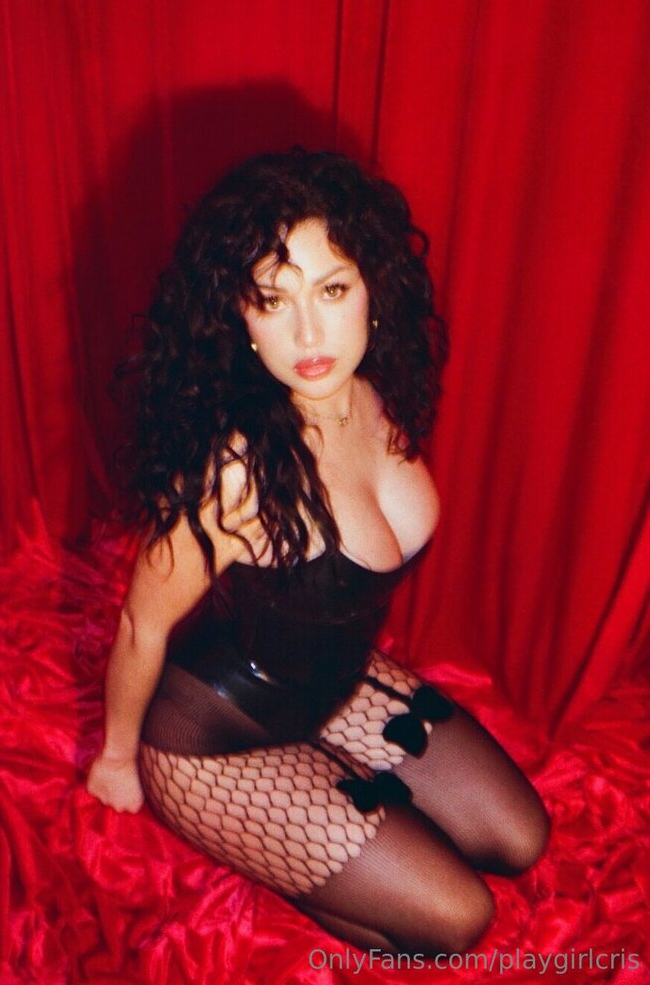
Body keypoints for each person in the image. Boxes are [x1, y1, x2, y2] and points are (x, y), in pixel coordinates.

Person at [86, 149, 549, 955]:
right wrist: (117, 761)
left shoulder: (371, 394)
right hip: (214, 739)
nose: (309, 335)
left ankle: (340, 805)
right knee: (457, 919)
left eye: (332, 291)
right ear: (240, 317)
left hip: (336, 685)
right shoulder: (235, 469)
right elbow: (139, 624)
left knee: (521, 838)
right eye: (273, 300)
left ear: (373, 291)